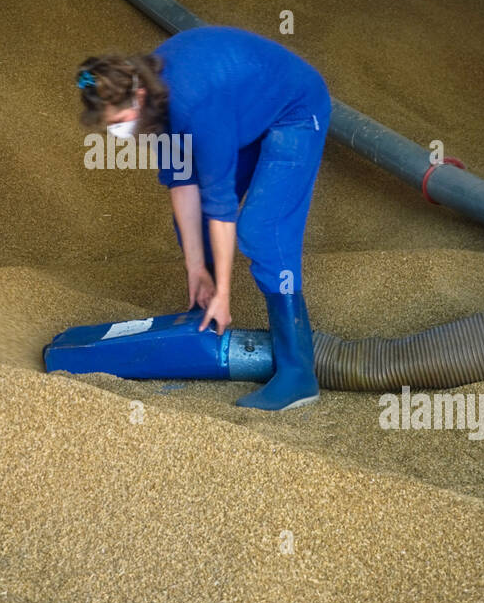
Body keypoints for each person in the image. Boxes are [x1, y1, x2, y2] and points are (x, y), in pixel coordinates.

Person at [75, 25, 331, 411]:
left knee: (262, 228)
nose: (116, 134)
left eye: (117, 122)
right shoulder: (155, 105)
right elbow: (182, 183)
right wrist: (196, 268)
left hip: (295, 109)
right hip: (241, 108)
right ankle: (205, 315)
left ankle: (298, 372)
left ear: (138, 95)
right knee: (190, 222)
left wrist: (227, 291)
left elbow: (220, 206)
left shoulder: (194, 105)